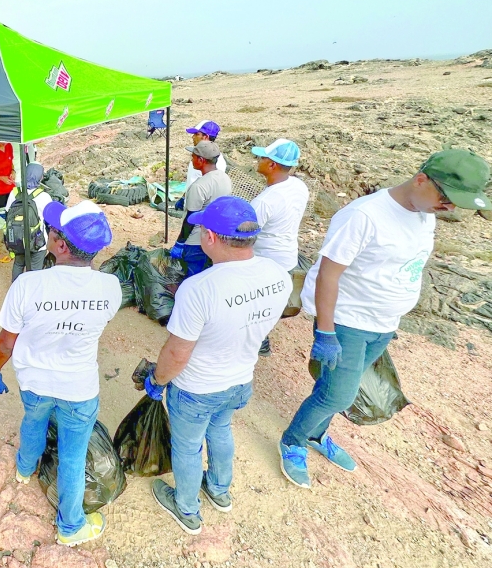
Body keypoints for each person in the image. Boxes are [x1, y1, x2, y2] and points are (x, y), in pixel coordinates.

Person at [279, 149, 489, 489]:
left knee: (336, 386)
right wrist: (327, 333)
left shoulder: (425, 213)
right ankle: (293, 441)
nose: (450, 208)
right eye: (447, 198)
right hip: (349, 320)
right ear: (421, 180)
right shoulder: (365, 215)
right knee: (338, 396)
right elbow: (330, 274)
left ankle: (317, 434)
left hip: (383, 324)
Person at [142, 197, 292, 535]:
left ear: (210, 237)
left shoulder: (199, 289)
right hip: (240, 381)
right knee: (221, 429)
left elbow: (177, 354)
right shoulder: (277, 275)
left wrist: (158, 380)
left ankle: (186, 507)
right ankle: (220, 491)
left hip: (198, 387)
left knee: (187, 446)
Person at [0, 200, 120, 546]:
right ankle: (70, 525)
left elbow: (6, 343)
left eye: (52, 229)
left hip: (34, 382)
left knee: (33, 421)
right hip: (79, 388)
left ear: (59, 245)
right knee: (73, 457)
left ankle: (24, 470)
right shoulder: (110, 289)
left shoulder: (28, 286)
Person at [249, 139, 309, 355]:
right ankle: (262, 338)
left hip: (265, 260)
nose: (258, 160)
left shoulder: (266, 201)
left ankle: (256, 343)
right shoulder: (299, 187)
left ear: (272, 165)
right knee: (270, 301)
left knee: (253, 303)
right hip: (287, 258)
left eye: (263, 157)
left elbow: (247, 234)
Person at [170, 142, 232, 276]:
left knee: (193, 280)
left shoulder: (199, 186)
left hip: (195, 242)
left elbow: (190, 219)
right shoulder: (225, 178)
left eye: (193, 157)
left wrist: (180, 243)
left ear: (201, 160)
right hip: (215, 239)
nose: (191, 160)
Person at [5, 163, 51, 281]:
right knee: (35, 270)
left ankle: (16, 289)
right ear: (40, 177)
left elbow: (7, 212)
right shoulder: (44, 196)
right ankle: (31, 294)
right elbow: (49, 220)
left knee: (19, 264)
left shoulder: (14, 192)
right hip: (37, 241)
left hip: (17, 239)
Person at [183, 121, 227, 192]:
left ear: (206, 137)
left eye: (197, 134)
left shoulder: (216, 162)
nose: (193, 137)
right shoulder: (198, 155)